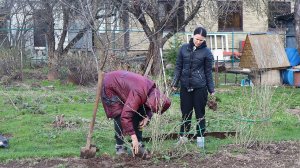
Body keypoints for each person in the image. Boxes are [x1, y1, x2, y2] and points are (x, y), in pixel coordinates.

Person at [101, 70, 171, 156]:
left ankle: (139, 143)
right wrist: (133, 137)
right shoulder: (139, 93)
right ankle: (120, 146)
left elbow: (150, 106)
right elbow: (125, 116)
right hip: (111, 85)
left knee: (141, 112)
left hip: (127, 87)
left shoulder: (154, 93)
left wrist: (147, 117)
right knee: (119, 114)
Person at [171, 27, 215, 143]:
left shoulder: (207, 53)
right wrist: (175, 82)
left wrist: (211, 89)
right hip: (185, 87)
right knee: (186, 113)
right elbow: (178, 67)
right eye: (197, 39)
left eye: (201, 40)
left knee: (200, 114)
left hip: (200, 88)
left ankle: (200, 140)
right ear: (193, 36)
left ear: (204, 40)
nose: (198, 42)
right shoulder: (183, 49)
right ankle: (183, 139)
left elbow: (208, 72)